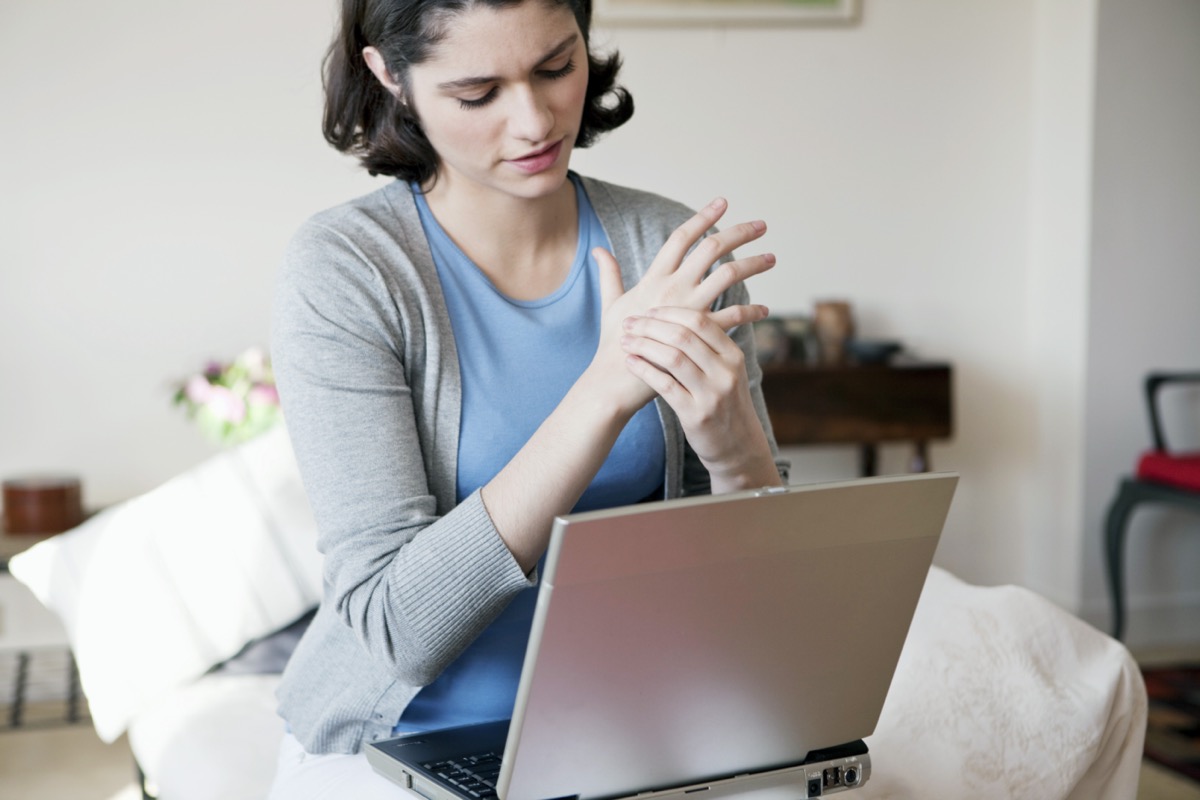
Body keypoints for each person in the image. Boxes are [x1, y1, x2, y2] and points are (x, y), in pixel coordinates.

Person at [267, 0, 788, 795]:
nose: (536, 121)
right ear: (390, 75)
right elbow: (395, 627)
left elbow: (772, 594)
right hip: (409, 743)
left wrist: (733, 450)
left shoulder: (664, 251)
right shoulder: (348, 271)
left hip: (640, 726)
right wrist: (601, 395)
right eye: (478, 94)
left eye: (556, 67)